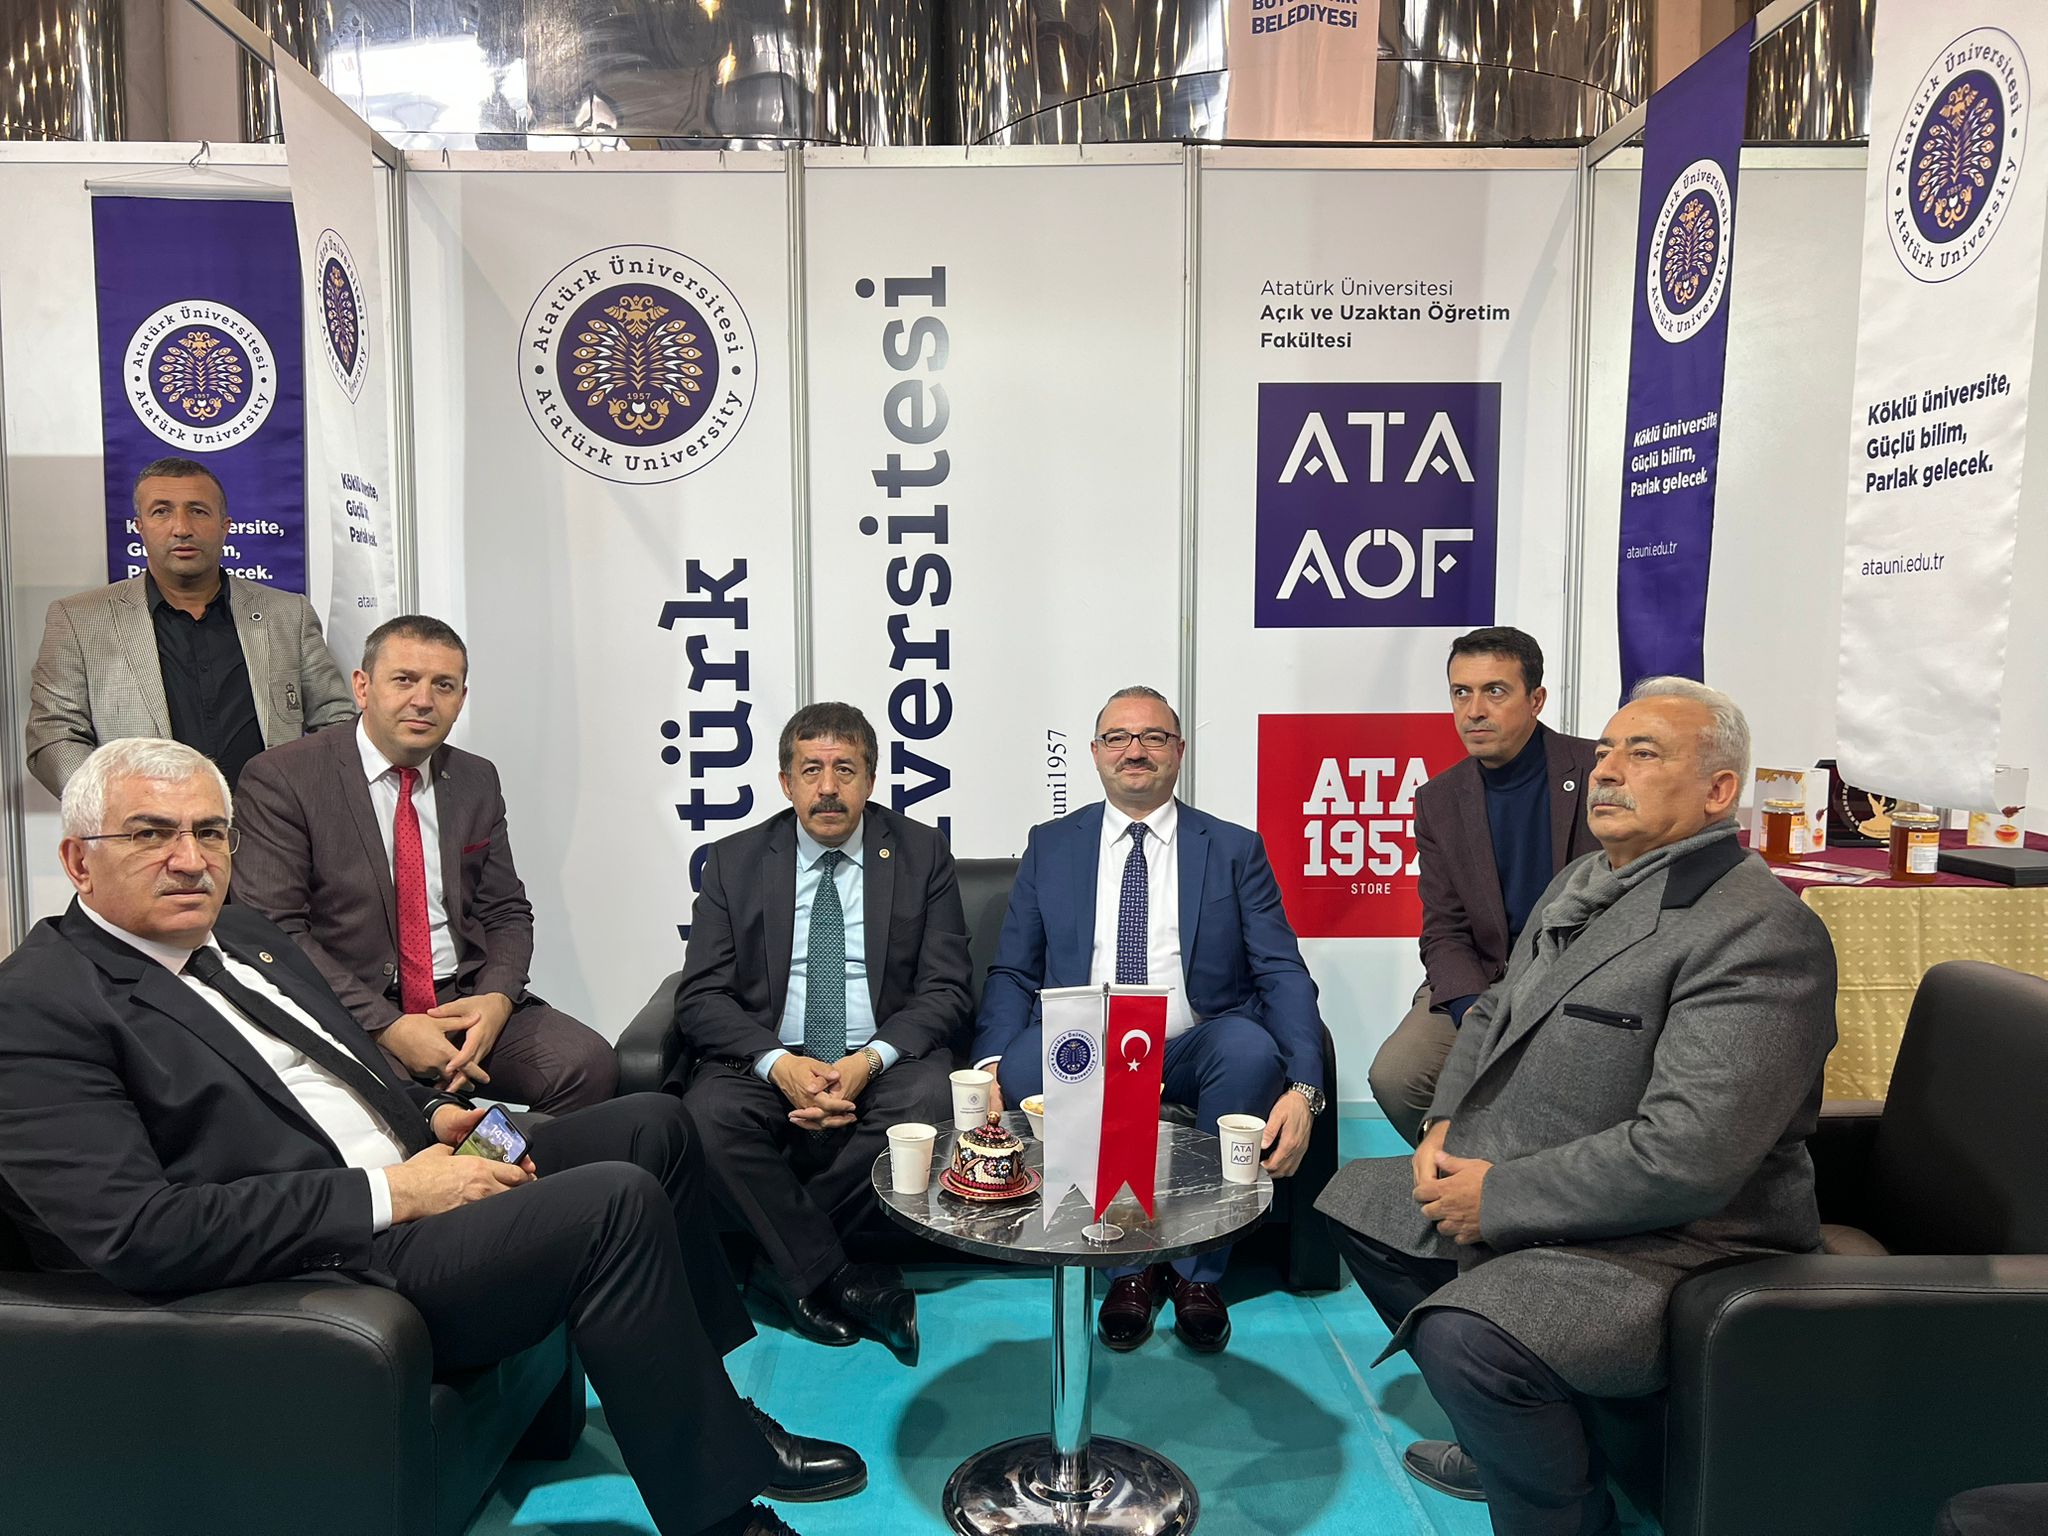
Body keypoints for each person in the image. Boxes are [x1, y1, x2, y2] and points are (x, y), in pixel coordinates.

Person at [0, 738, 865, 1536]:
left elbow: (335, 1072)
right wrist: (397, 1191)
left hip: (415, 1167)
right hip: (337, 1249)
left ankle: (715, 1408)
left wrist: (430, 1117)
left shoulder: (241, 934)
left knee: (654, 1125)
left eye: (209, 832)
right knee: (614, 1203)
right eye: (151, 834)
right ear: (78, 860)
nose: (191, 859)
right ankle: (721, 1518)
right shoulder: (40, 1006)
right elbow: (140, 1232)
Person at [1316, 678, 1837, 1536]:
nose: (1608, 771)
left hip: (1680, 1241)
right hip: (1544, 1181)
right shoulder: (1586, 881)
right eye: (1605, 752)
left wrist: (1498, 1197)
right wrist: (1444, 1122)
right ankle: (1518, 1444)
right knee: (1359, 1201)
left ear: (1718, 791)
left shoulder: (1757, 931)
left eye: (1644, 754)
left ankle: (1561, 1511)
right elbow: (1493, 1010)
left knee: (1463, 1338)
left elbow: (1688, 1156)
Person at [973, 685, 1326, 1354]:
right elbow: (1014, 970)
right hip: (1088, 1042)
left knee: (1250, 1052)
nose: (1134, 751)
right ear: (1094, 753)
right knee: (1023, 1066)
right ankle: (1127, 1267)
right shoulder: (1052, 845)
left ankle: (1197, 1274)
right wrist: (988, 1065)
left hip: (1193, 1041)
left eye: (1153, 737)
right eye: (1118, 738)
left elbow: (1281, 970)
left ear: (1180, 751)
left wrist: (1306, 1087)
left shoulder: (1233, 848)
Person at [669, 703, 970, 1366]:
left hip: (881, 1057)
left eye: (845, 770)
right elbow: (701, 996)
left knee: (931, 1101)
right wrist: (778, 1064)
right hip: (770, 1055)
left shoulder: (921, 854)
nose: (828, 788)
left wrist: (868, 1061)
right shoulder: (734, 861)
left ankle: (781, 1268)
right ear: (785, 782)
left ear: (871, 779)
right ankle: (837, 1275)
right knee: (707, 1114)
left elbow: (946, 989)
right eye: (811, 771)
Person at [233, 615, 617, 1114]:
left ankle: (516, 1166)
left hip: (462, 998)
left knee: (586, 1065)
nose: (423, 700)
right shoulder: (284, 777)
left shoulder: (475, 778)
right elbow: (274, 931)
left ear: (461, 698)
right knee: (404, 1111)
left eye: (443, 685)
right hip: (347, 1006)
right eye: (404, 680)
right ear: (362, 687)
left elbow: (505, 910)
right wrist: (387, 1025)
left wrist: (495, 1000)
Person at [1370, 627, 1601, 1144]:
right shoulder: (1439, 800)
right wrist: (1470, 1007)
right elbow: (1444, 930)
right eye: (1461, 692)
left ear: (1536, 699)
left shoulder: (1598, 771)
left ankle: (1524, 1176)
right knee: (1398, 1075)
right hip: (1486, 978)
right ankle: (1476, 1169)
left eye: (1495, 691)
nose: (1474, 710)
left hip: (1578, 976)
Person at [26, 457, 355, 796]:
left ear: (225, 526)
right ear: (139, 527)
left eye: (198, 511)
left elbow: (336, 721)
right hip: (145, 824)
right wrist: (117, 805)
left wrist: (307, 801)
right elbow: (53, 734)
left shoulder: (288, 613)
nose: (181, 528)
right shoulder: (79, 620)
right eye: (161, 512)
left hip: (271, 823)